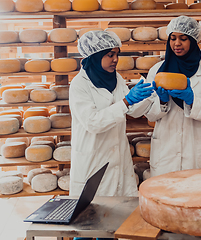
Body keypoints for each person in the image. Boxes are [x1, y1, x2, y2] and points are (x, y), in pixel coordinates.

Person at [69, 31, 153, 240]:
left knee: (113, 224)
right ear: (94, 57)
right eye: (109, 55)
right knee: (87, 225)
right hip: (92, 160)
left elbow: (130, 111)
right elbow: (93, 122)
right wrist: (126, 102)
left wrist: (147, 96)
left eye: (117, 54)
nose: (115, 59)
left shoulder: (115, 78)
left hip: (117, 159)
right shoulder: (79, 85)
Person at [143, 15, 201, 177]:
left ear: (194, 41)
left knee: (195, 198)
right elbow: (149, 114)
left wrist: (192, 100)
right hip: (165, 151)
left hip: (195, 151)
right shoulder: (157, 71)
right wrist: (161, 102)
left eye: (183, 38)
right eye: (172, 38)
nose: (177, 43)